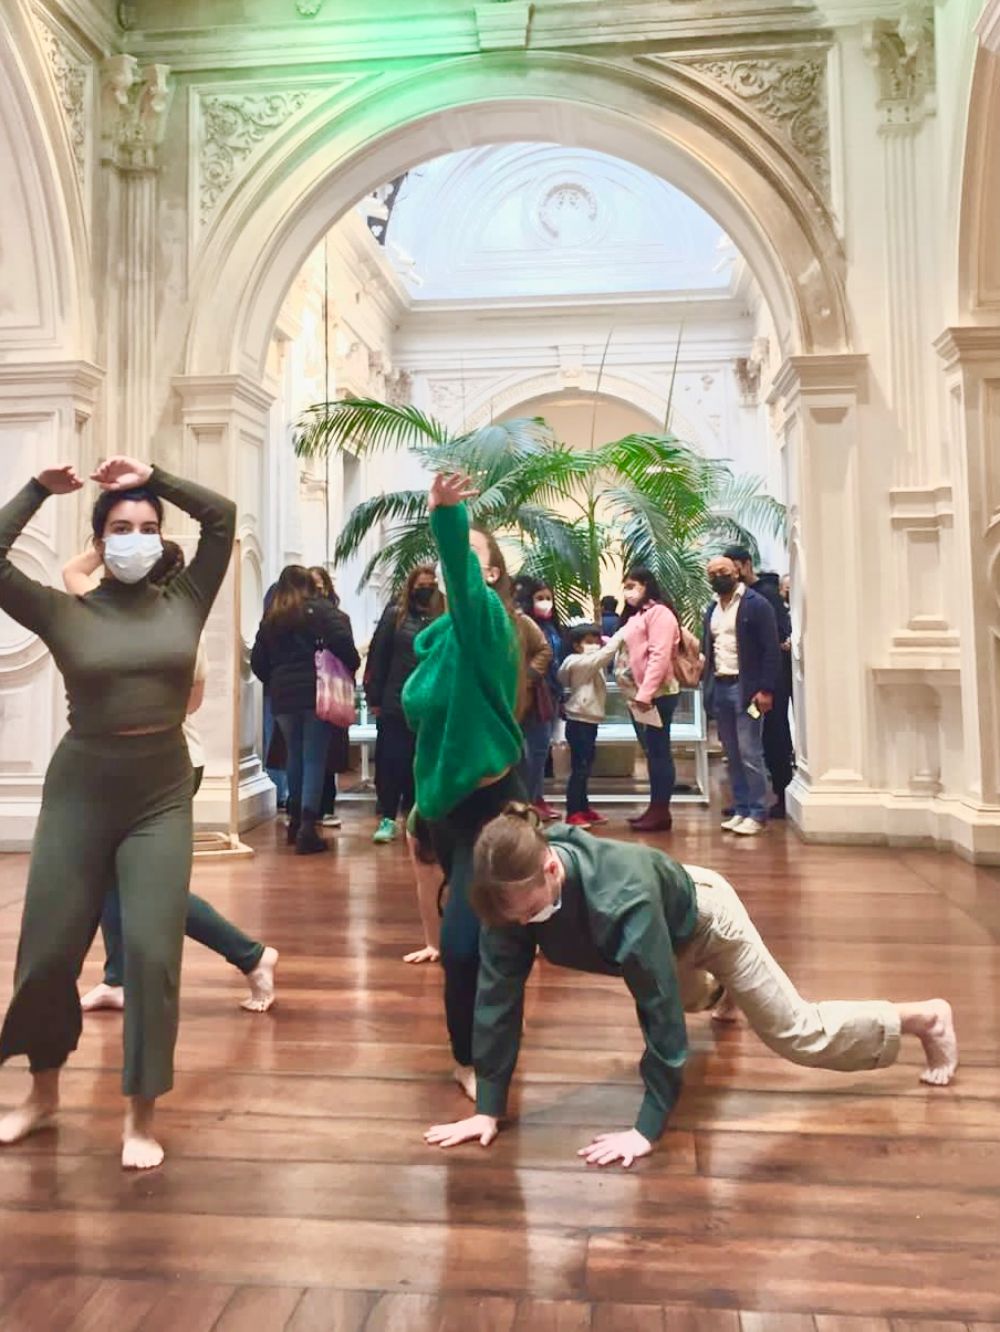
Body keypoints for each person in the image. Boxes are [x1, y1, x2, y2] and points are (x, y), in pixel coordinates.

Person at [424, 805, 959, 1167]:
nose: (519, 927)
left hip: (707, 921)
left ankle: (923, 1018)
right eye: (511, 920)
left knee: (794, 1032)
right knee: (693, 994)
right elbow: (497, 996)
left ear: (551, 870)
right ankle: (724, 994)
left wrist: (646, 1127)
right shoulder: (509, 899)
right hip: (658, 934)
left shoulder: (620, 899)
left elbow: (657, 1011)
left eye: (528, 913)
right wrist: (488, 1106)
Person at [0, 455, 235, 1169]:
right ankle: (42, 1095)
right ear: (100, 543)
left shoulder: (186, 597)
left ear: (162, 539)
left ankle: (140, 1115)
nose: (137, 536)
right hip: (81, 789)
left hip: (159, 791)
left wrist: (152, 477)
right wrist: (39, 489)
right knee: (45, 954)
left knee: (153, 954)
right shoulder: (63, 608)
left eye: (149, 527)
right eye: (122, 527)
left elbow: (222, 517)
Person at [62, 542, 278, 1018]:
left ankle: (252, 954)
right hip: (109, 766)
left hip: (164, 764)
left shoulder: (178, 623)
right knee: (109, 878)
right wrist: (107, 542)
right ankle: (119, 979)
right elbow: (71, 572)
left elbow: (192, 702)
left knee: (146, 885)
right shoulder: (103, 607)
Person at [401, 471, 525, 1101]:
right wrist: (421, 809)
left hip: (492, 806)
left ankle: (483, 1057)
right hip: (447, 808)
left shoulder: (488, 628)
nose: (455, 571)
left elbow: (466, 584)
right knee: (469, 942)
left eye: (473, 563)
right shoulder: (439, 641)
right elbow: (430, 734)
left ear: (494, 575)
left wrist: (447, 518)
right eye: (452, 562)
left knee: (474, 943)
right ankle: (468, 1056)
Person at [250, 565, 360, 854]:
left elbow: (258, 661)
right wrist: (349, 667)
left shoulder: (271, 618)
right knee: (314, 757)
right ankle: (308, 829)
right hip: (316, 691)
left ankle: (294, 819)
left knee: (294, 755)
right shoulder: (320, 610)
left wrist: (275, 681)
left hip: (283, 697)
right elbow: (344, 644)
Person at [702, 554, 780, 837]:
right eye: (711, 573)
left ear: (737, 571)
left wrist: (766, 689)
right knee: (731, 753)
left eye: (722, 570)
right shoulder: (711, 609)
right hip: (721, 688)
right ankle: (741, 808)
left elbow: (771, 650)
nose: (717, 576)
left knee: (749, 751)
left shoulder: (756, 605)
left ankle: (758, 812)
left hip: (748, 692)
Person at [366, 565, 444, 844]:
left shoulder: (443, 618)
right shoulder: (395, 616)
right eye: (420, 584)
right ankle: (388, 817)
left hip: (431, 705)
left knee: (421, 763)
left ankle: (417, 819)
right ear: (411, 587)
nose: (425, 589)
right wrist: (374, 697)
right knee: (391, 763)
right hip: (395, 702)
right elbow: (378, 657)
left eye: (431, 584)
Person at [724, 546, 795, 819]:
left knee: (773, 735)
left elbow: (774, 642)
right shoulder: (737, 599)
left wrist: (768, 685)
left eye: (731, 568)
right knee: (751, 742)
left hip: (769, 681)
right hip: (747, 682)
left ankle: (781, 792)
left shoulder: (764, 597)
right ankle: (750, 799)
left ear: (744, 565)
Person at [616, 566, 681, 833]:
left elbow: (659, 655)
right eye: (626, 586)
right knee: (652, 752)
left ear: (646, 585)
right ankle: (654, 808)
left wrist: (645, 694)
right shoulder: (639, 615)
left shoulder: (660, 614)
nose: (629, 591)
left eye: (633, 585)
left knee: (658, 753)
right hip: (638, 696)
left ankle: (660, 810)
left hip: (656, 695)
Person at [556, 621, 623, 827]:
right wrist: (620, 636)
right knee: (579, 769)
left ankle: (583, 808)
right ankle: (573, 812)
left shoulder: (589, 661)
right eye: (588, 641)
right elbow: (603, 656)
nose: (594, 644)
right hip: (579, 721)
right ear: (577, 645)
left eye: (596, 640)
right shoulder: (578, 662)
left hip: (588, 720)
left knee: (585, 768)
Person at [309, 566, 353, 830]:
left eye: (320, 584)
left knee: (328, 751)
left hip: (331, 689)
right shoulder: (296, 617)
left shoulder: (338, 618)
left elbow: (347, 651)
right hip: (307, 689)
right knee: (308, 752)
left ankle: (325, 806)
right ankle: (306, 807)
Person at [516, 578, 563, 820]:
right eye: (539, 598)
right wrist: (531, 677)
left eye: (548, 598)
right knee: (534, 750)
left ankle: (537, 798)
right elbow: (541, 654)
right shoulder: (525, 624)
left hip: (551, 694)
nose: (545, 603)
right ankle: (528, 801)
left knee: (541, 751)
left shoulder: (551, 626)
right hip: (532, 695)